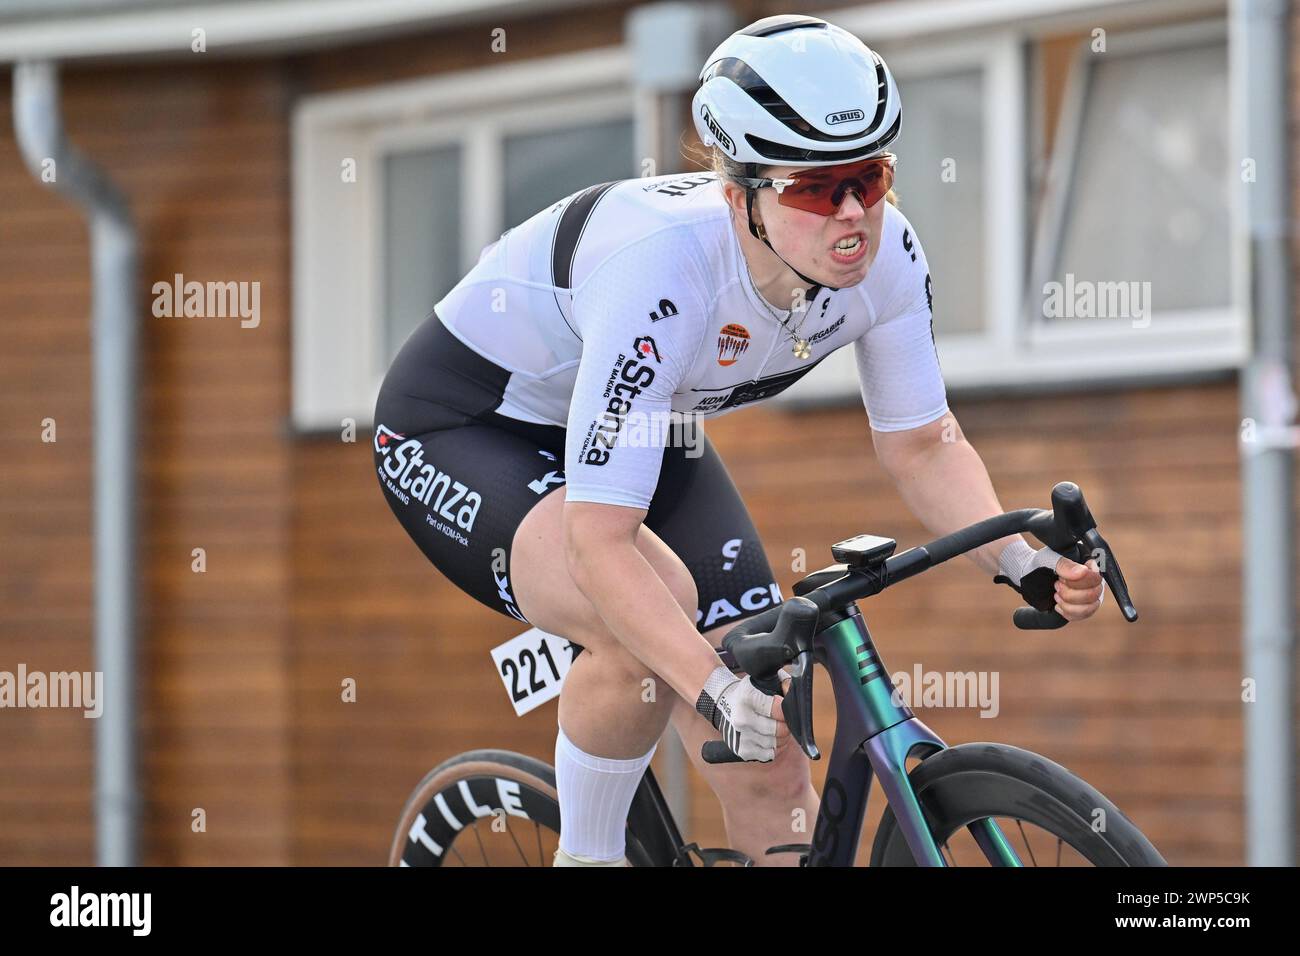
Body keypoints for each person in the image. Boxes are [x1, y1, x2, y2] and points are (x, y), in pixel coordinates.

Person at [372, 13, 1104, 868]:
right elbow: (599, 545)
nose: (854, 213)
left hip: (642, 430)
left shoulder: (889, 260)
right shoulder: (662, 272)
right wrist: (708, 685)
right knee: (650, 618)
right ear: (740, 192)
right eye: (813, 189)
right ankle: (591, 857)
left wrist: (1020, 560)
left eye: (871, 177)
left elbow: (923, 446)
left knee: (770, 756)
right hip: (465, 428)